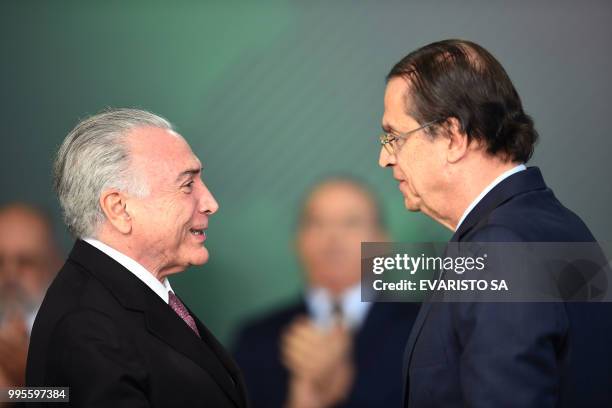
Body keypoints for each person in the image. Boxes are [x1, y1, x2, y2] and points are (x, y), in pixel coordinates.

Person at [378, 39, 612, 407]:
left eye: (394, 137)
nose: (384, 158)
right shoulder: (548, 223)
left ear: (453, 138)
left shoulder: (499, 247)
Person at [26, 108, 248, 407]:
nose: (210, 203)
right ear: (119, 208)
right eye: (187, 186)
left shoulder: (123, 299)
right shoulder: (87, 326)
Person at [233, 177, 419, 408]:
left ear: (383, 243)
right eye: (317, 223)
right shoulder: (255, 338)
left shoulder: (422, 330)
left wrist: (343, 386)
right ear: (297, 241)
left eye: (350, 223)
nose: (333, 238)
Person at [0, 203, 61, 394]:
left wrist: (29, 381)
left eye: (26, 262)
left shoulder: (78, 334)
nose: (10, 275)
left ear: (54, 266)